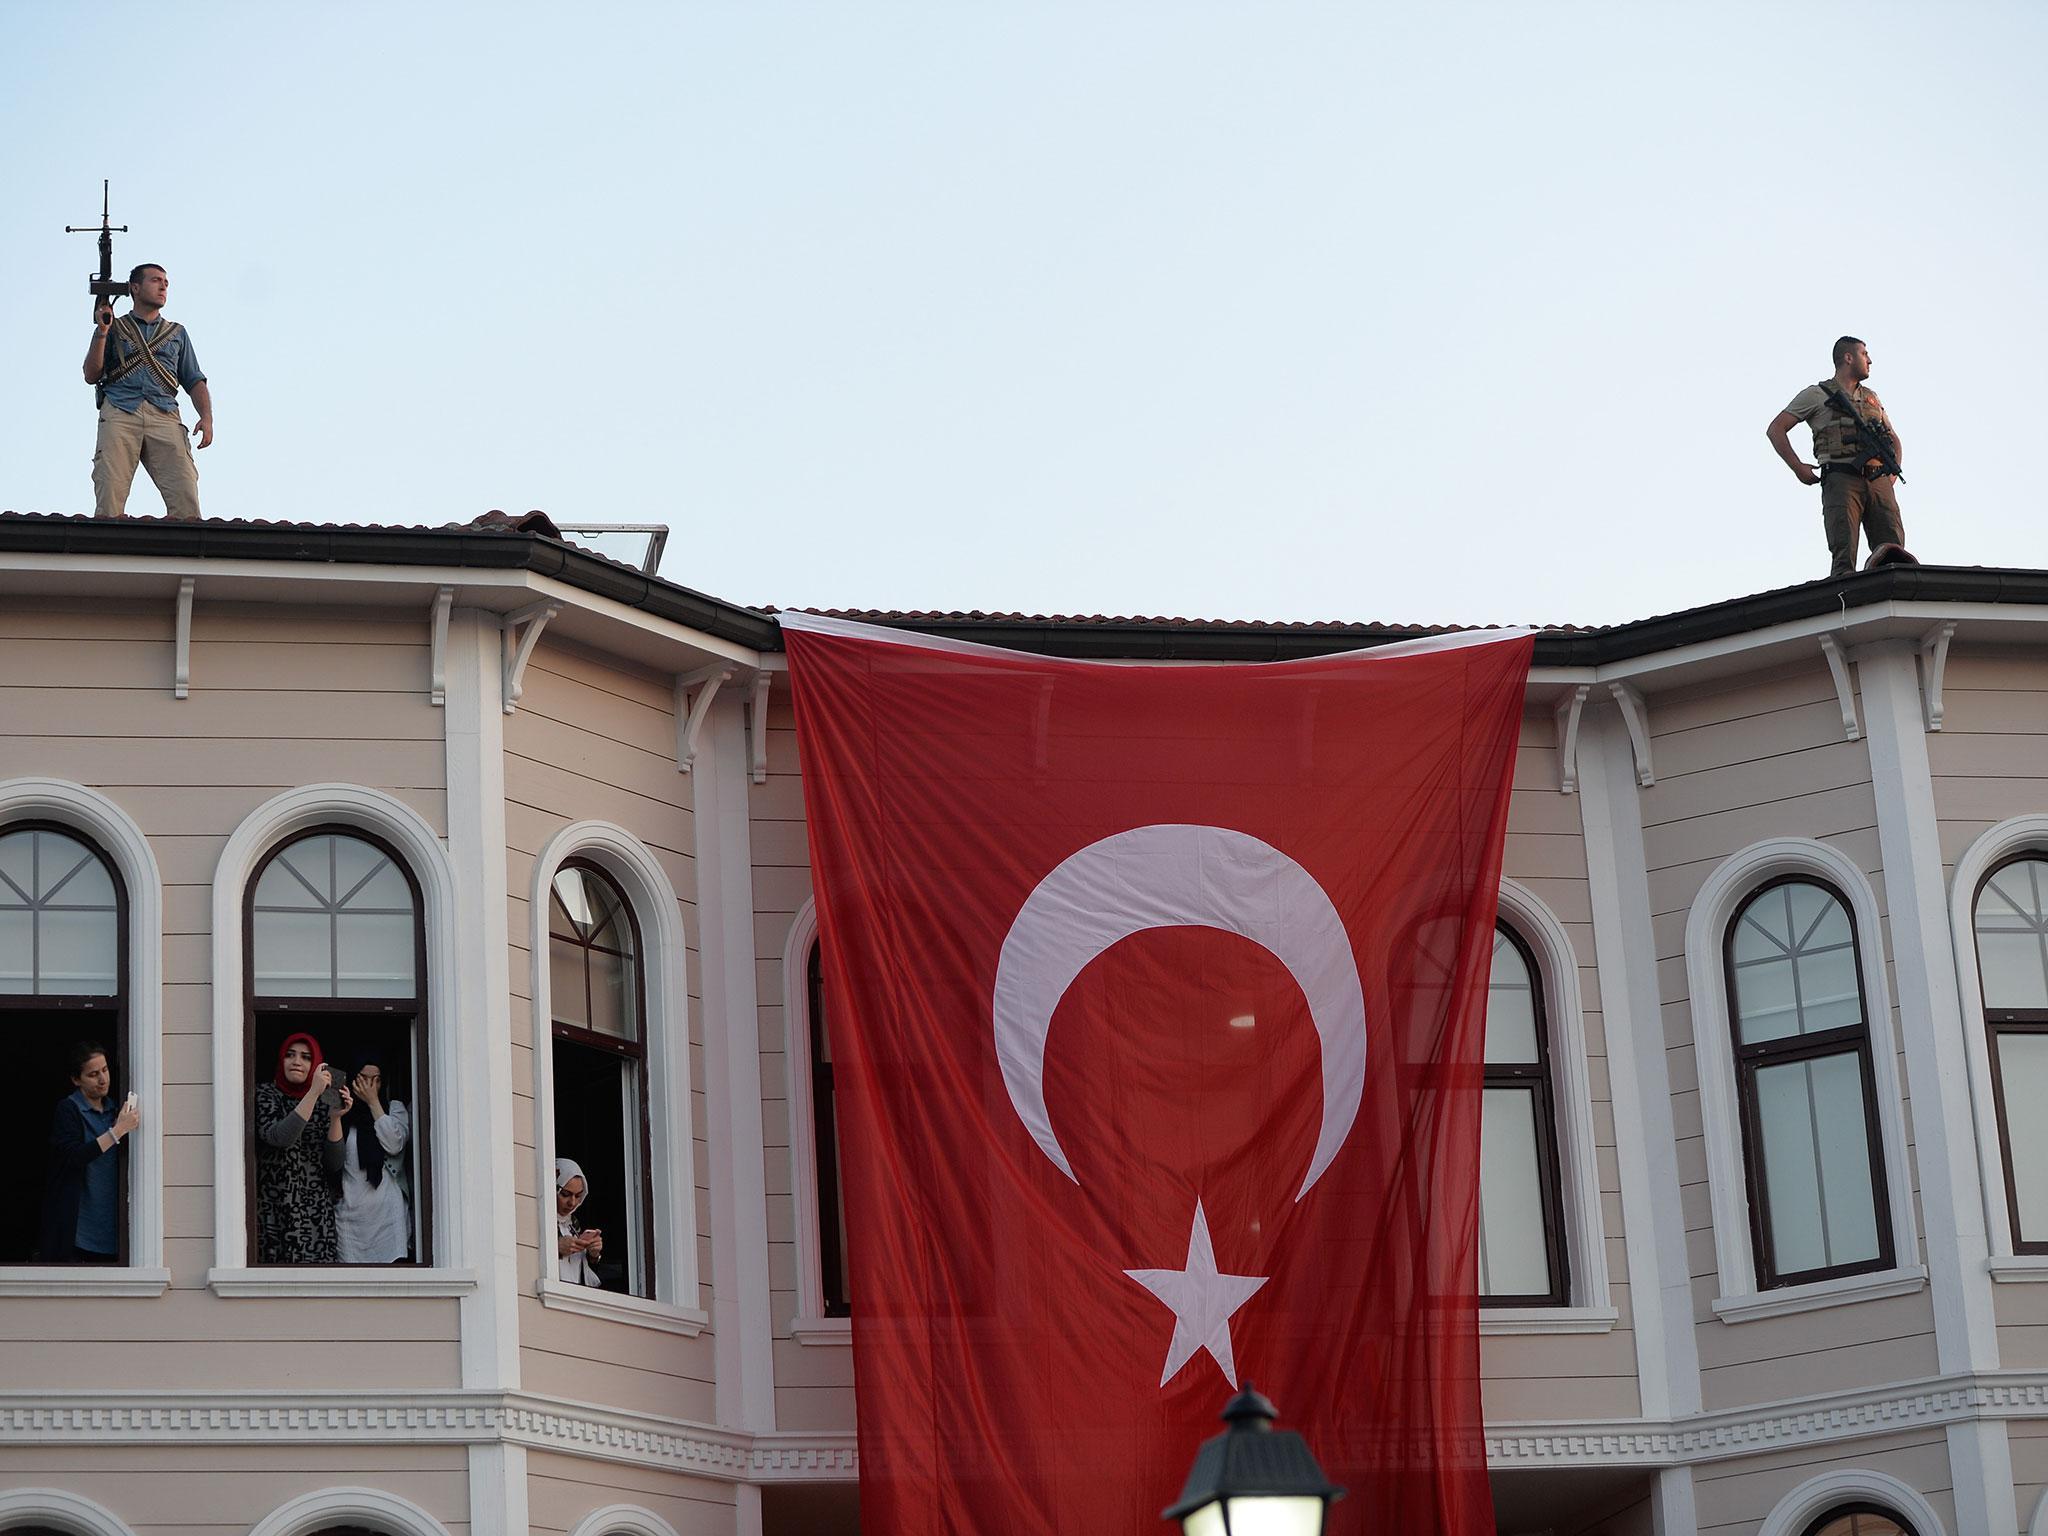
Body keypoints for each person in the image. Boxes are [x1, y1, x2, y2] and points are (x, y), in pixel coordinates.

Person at [80, 262, 213, 521]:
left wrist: (206, 416)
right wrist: (102, 332)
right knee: (109, 496)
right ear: (135, 288)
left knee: (186, 495)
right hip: (120, 410)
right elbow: (91, 374)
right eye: (155, 280)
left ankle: (187, 557)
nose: (163, 285)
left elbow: (195, 379)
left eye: (165, 281)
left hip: (164, 414)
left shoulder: (176, 333)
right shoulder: (115, 328)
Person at [1767, 336, 1906, 578]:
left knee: (1894, 553)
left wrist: (1894, 468)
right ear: (1848, 357)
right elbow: (1776, 428)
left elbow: (1892, 436)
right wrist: (1797, 467)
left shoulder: (1871, 397)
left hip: (1878, 479)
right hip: (1841, 479)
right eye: (1864, 354)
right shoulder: (1817, 394)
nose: (1870, 360)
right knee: (1843, 554)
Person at [37, 1040, 140, 1263]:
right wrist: (118, 1131)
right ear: (76, 1080)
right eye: (93, 1074)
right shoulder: (69, 1109)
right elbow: (73, 1157)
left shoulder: (115, 1109)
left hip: (115, 1231)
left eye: (105, 1070)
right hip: (79, 1233)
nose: (103, 1079)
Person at [253, 1033, 349, 1264]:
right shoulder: (265, 1094)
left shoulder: (324, 1103)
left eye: (306, 1057)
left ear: (315, 1065)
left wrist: (335, 1118)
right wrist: (313, 1092)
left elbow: (334, 1164)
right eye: (290, 1055)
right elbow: (279, 1137)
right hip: (274, 1209)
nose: (297, 1062)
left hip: (313, 1213)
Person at [334, 1058, 413, 1264]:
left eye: (376, 1080)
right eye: (363, 1079)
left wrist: (373, 1103)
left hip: (388, 1215)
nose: (370, 1086)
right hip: (351, 1216)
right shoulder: (341, 1113)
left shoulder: (393, 1109)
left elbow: (394, 1144)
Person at [554, 1158, 605, 1287]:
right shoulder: (539, 1219)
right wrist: (555, 1247)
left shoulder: (574, 1226)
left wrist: (593, 1254)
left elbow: (584, 1275)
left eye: (578, 1196)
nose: (572, 1203)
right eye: (565, 1194)